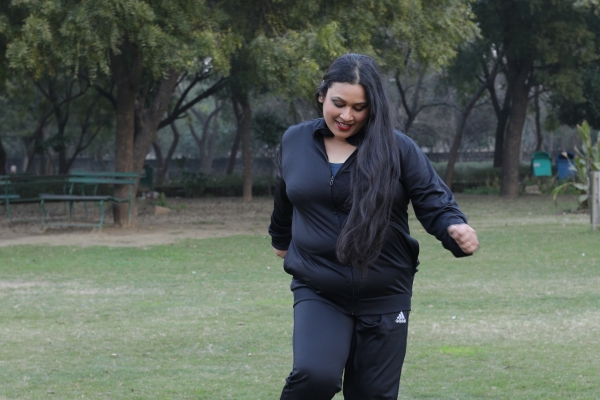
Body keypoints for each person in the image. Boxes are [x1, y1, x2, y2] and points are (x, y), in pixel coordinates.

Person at [269, 53, 479, 400]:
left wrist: (454, 228)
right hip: (319, 288)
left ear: (373, 107)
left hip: (384, 292)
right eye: (339, 103)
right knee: (314, 376)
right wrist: (281, 239)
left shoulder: (397, 148)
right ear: (322, 95)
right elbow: (285, 196)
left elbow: (433, 200)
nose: (347, 115)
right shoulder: (295, 141)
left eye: (359, 107)